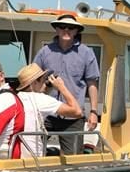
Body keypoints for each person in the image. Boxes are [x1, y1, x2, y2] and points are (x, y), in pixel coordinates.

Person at [33, 14, 100, 155]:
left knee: (74, 160)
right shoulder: (44, 52)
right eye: (62, 27)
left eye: (71, 28)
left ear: (77, 31)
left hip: (73, 118)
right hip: (47, 115)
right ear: (56, 29)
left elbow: (92, 83)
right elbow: (33, 80)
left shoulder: (87, 53)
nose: (66, 30)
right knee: (31, 150)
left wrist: (93, 112)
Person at [16, 63, 82, 158]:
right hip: (34, 157)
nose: (45, 83)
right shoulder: (40, 99)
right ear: (34, 83)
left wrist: (46, 88)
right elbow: (77, 112)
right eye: (43, 80)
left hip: (18, 154)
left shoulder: (16, 97)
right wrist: (62, 87)